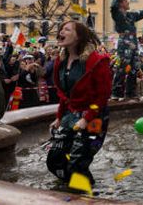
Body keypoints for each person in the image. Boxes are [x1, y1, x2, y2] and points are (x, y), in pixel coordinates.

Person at [46, 21, 112, 186]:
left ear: (79, 36)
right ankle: (68, 190)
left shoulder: (97, 60)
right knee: (54, 160)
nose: (61, 31)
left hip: (95, 118)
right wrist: (59, 117)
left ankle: (87, 196)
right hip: (71, 114)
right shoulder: (60, 62)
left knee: (77, 164)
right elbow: (64, 95)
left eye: (67, 29)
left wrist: (86, 118)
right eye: (61, 29)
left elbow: (103, 96)